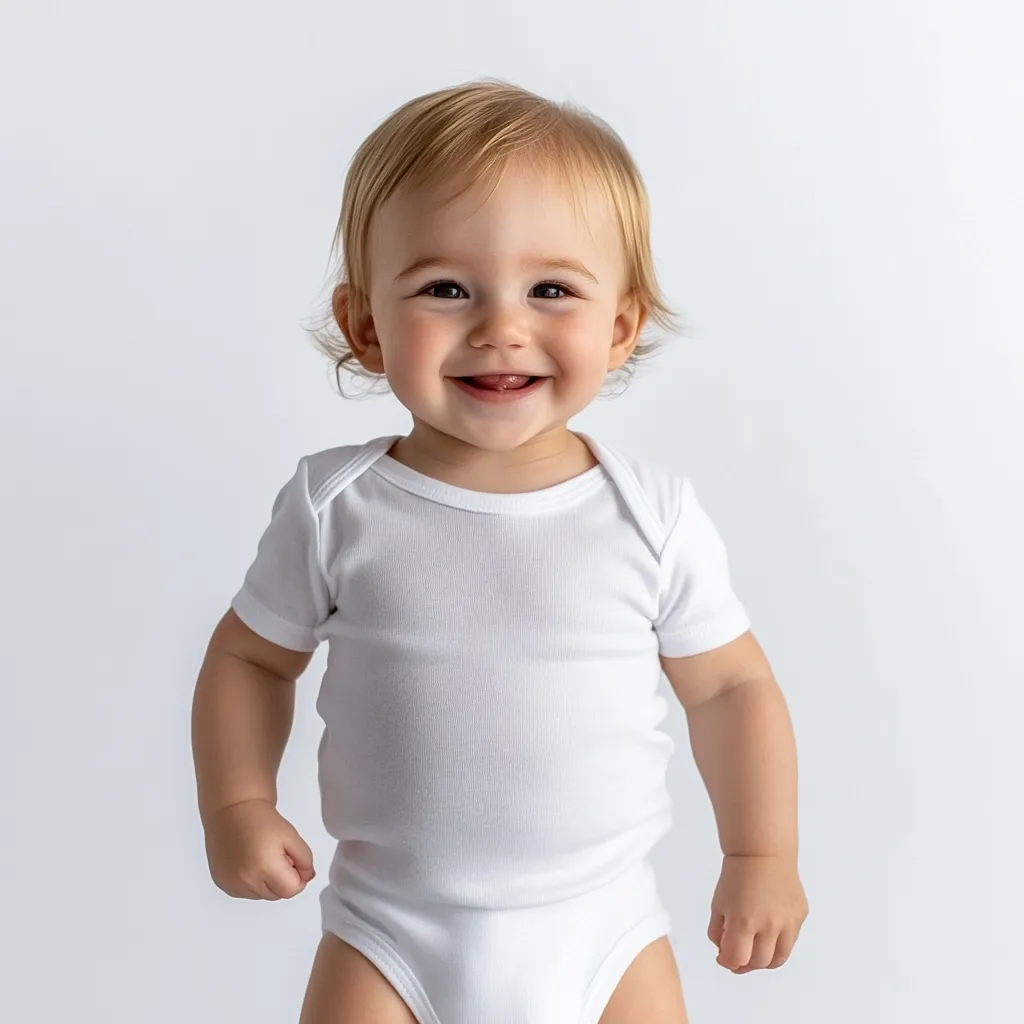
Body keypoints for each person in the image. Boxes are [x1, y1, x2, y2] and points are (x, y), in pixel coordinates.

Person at [190, 79, 808, 1024]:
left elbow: (731, 689)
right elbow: (247, 658)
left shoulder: (650, 516)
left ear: (620, 325)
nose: (500, 325)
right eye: (445, 288)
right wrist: (237, 806)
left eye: (550, 289)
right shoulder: (336, 506)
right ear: (364, 326)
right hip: (388, 930)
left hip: (602, 930)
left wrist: (761, 855)